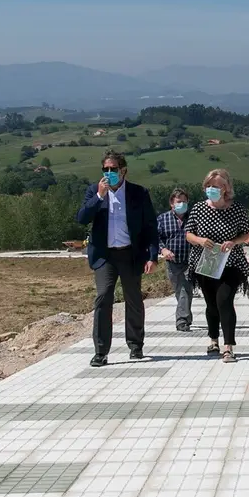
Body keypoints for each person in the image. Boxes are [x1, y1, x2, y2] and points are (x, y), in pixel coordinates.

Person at [75, 149, 159, 367]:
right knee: (103, 298)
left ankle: (135, 345)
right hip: (105, 256)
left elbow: (150, 227)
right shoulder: (94, 191)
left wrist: (152, 256)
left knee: (134, 300)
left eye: (113, 169)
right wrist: (99, 196)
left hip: (131, 254)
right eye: (106, 169)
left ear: (124, 171)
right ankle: (101, 351)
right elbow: (82, 218)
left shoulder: (139, 193)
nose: (109, 173)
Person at [185, 168, 249, 363]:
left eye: (216, 186)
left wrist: (234, 241)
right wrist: (199, 240)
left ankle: (228, 346)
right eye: (208, 186)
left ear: (225, 188)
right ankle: (213, 338)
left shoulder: (236, 209)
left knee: (224, 301)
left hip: (230, 263)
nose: (211, 190)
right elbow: (189, 234)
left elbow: (246, 233)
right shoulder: (199, 209)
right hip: (206, 263)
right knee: (211, 304)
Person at [157, 187, 194, 332]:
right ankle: (186, 316)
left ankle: (182, 320)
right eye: (179, 202)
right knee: (180, 291)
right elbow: (156, 237)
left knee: (186, 288)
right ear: (172, 203)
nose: (182, 204)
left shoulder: (193, 218)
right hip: (172, 262)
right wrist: (163, 249)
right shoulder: (162, 219)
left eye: (184, 202)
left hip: (190, 261)